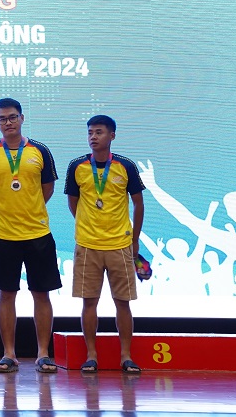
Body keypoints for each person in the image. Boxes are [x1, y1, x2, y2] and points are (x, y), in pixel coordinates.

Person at [0, 98, 61, 374]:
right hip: (3, 235)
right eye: (3, 119)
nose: (8, 122)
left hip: (38, 234)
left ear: (22, 118)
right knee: (6, 294)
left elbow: (47, 189)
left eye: (13, 117)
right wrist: (1, 213)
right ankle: (9, 354)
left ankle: (43, 354)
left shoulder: (40, 151)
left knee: (41, 294)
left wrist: (30, 210)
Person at [65, 115, 145, 373]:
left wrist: (134, 240)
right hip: (87, 245)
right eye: (90, 132)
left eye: (99, 132)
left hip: (119, 244)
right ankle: (91, 355)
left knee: (123, 302)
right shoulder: (77, 166)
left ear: (112, 135)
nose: (93, 137)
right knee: (89, 303)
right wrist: (88, 225)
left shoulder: (126, 166)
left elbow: (138, 204)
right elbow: (73, 203)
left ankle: (126, 356)